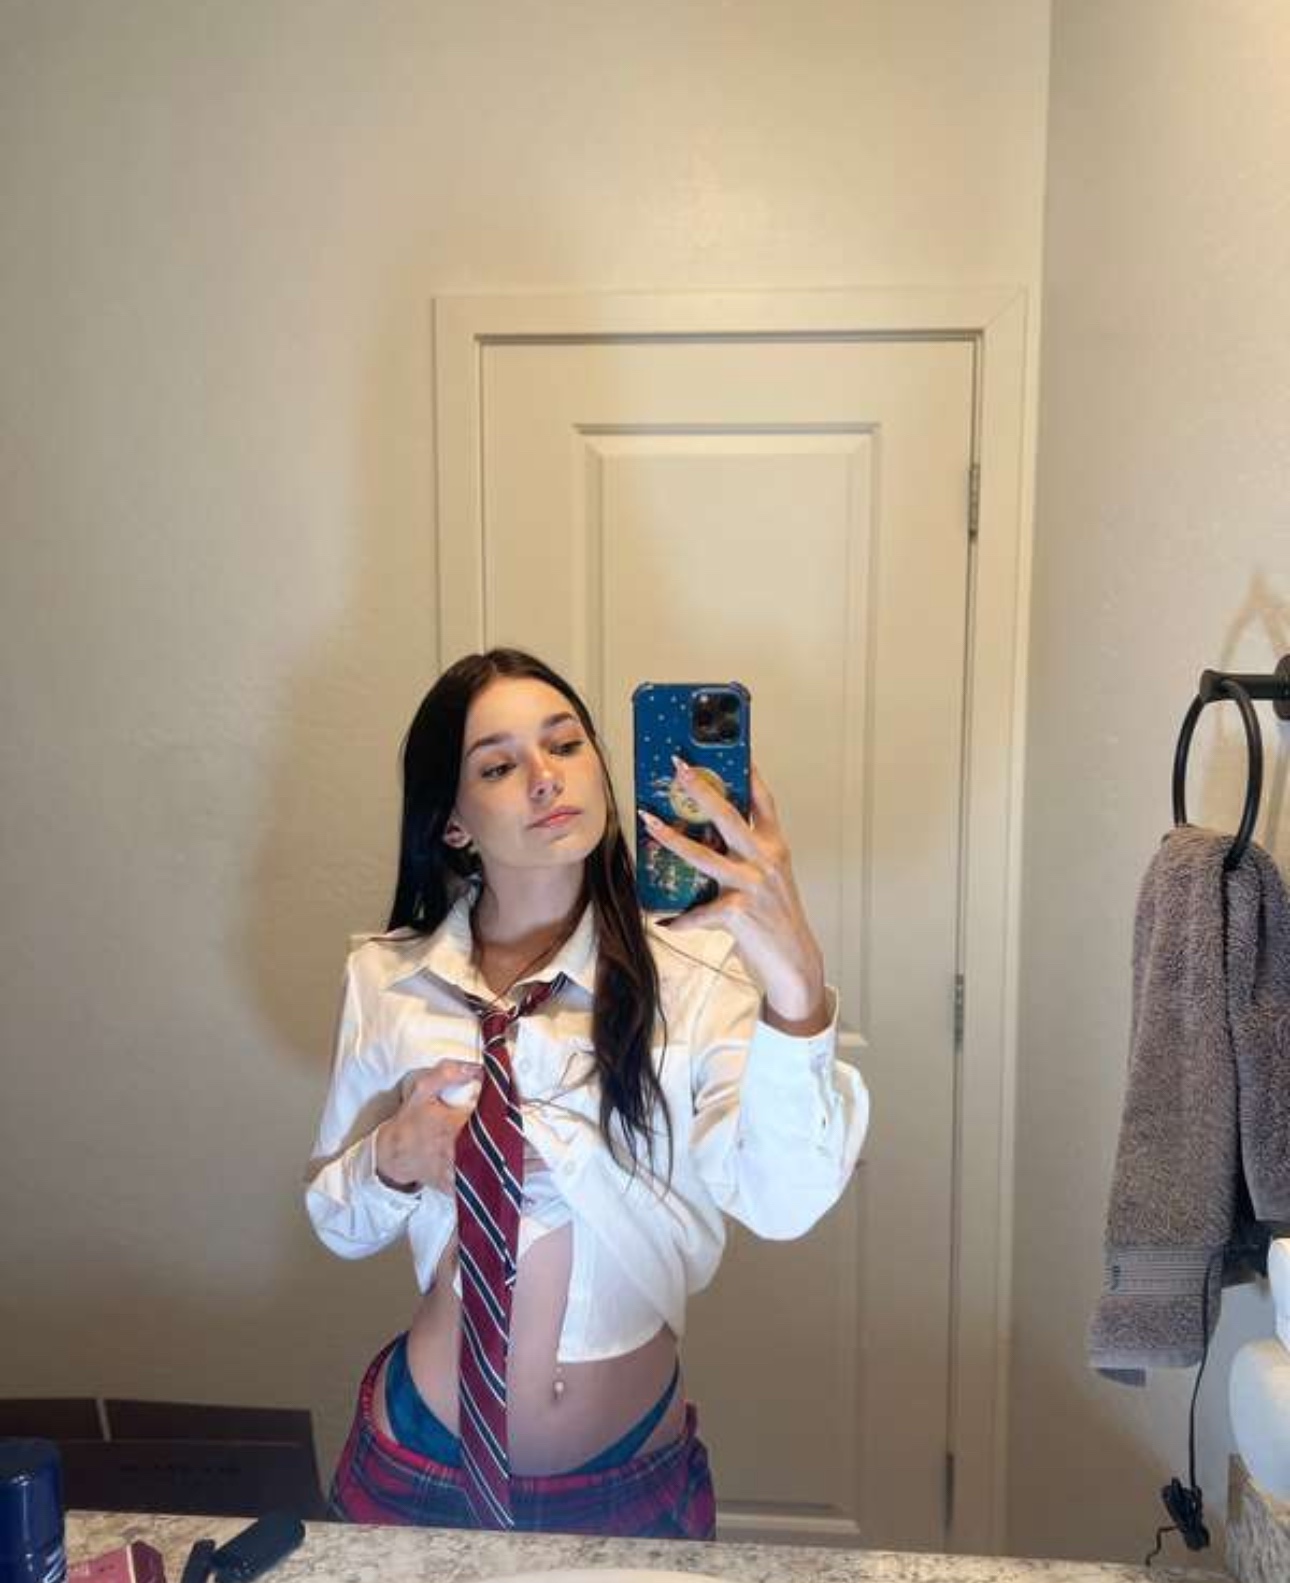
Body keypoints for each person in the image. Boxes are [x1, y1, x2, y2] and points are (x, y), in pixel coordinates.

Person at [305, 647, 868, 1537]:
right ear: (452, 823)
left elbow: (784, 1201)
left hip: (628, 1480)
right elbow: (338, 1224)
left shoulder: (697, 970)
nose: (545, 776)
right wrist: (393, 1156)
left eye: (565, 745)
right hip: (417, 1456)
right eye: (498, 766)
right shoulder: (389, 979)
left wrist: (796, 988)